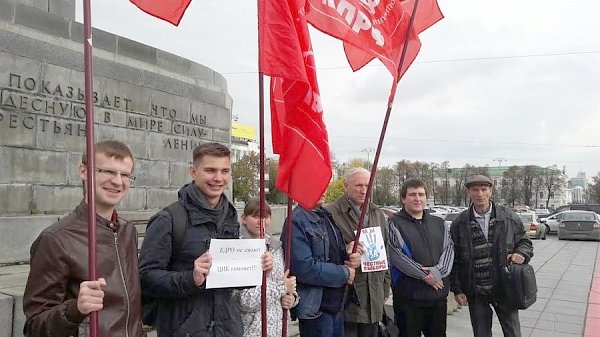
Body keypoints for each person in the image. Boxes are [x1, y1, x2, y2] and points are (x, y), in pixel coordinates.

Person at [138, 142, 273, 337]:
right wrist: (191, 278)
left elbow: (231, 278)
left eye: (225, 171)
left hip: (226, 328)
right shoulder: (168, 219)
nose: (218, 178)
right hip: (183, 330)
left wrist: (256, 268)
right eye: (210, 170)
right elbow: (146, 278)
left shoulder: (230, 217)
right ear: (193, 172)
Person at [23, 140, 145, 337]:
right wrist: (75, 309)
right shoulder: (55, 239)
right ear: (84, 171)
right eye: (107, 171)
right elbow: (35, 326)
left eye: (125, 174)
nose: (117, 181)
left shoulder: (127, 231)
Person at [450, 174, 533, 337]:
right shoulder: (460, 223)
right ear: (468, 193)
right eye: (475, 190)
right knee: (481, 333)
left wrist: (521, 253)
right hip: (476, 290)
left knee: (512, 332)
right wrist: (458, 290)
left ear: (491, 191)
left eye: (484, 189)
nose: (480, 194)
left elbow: (525, 242)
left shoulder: (508, 217)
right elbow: (455, 260)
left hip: (505, 287)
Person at [281, 194, 363, 337]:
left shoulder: (325, 215)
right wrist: (344, 273)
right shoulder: (296, 220)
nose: (323, 190)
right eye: (317, 185)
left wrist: (347, 253)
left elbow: (330, 254)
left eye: (324, 185)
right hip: (316, 309)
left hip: (336, 305)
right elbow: (304, 268)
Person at [325, 167, 391, 337]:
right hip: (348, 299)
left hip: (374, 298)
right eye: (359, 185)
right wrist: (344, 252)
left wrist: (384, 288)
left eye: (367, 186)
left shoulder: (377, 213)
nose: (364, 190)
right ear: (346, 187)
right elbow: (323, 254)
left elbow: (385, 252)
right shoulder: (330, 213)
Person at [387, 178, 454, 337]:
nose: (417, 198)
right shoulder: (393, 223)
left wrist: (438, 272)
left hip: (437, 296)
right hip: (408, 297)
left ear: (426, 198)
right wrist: (425, 275)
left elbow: (449, 249)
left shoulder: (439, 223)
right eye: (412, 195)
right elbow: (396, 255)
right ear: (403, 198)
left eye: (421, 194)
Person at [235, 197, 298, 337]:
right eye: (255, 216)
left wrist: (291, 297)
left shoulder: (276, 247)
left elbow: (285, 282)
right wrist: (282, 288)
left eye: (265, 216)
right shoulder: (238, 249)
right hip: (252, 331)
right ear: (244, 218)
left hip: (278, 328)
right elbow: (244, 300)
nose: (261, 221)